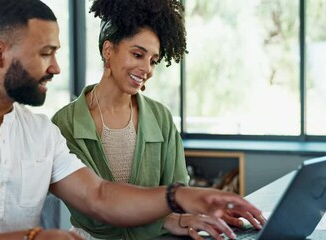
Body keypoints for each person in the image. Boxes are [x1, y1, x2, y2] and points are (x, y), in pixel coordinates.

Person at [0, 0, 265, 239]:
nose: (57, 67)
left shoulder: (40, 132)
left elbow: (98, 196)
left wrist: (177, 195)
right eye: (45, 53)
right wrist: (32, 237)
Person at [51, 0, 265, 239]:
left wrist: (186, 217)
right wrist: (168, 218)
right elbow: (97, 215)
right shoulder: (65, 123)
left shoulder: (160, 118)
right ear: (108, 50)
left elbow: (176, 194)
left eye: (153, 61)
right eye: (137, 54)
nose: (147, 69)